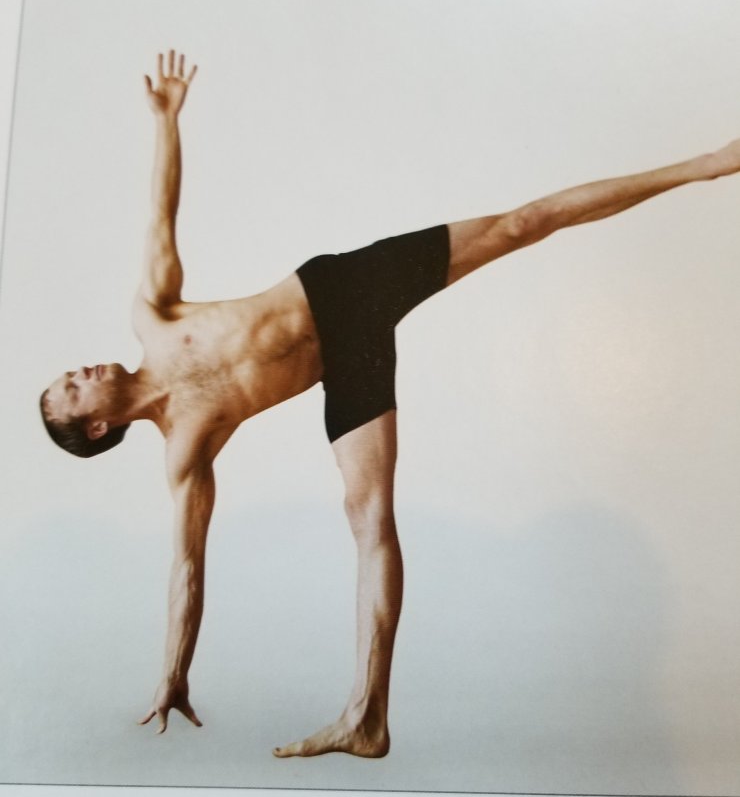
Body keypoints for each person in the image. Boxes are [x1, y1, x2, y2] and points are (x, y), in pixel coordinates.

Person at [39, 50, 740, 758]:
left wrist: (166, 120)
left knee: (523, 223)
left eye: (69, 374)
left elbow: (160, 217)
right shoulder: (185, 448)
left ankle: (708, 164)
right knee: (368, 515)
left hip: (344, 291)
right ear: (97, 426)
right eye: (72, 388)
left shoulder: (154, 318)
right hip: (349, 366)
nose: (80, 371)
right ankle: (367, 716)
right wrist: (173, 672)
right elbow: (187, 567)